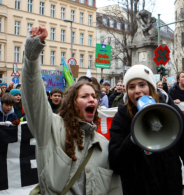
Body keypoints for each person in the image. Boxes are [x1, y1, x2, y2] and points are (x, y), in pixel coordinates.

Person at [22, 26, 122, 195]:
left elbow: (114, 189)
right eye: (84, 96)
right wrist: (32, 58)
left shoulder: (104, 146)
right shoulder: (52, 128)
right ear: (71, 103)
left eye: (94, 96)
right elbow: (34, 98)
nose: (91, 99)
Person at [108, 64, 184, 194]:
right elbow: (116, 164)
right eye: (131, 87)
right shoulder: (121, 117)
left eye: (142, 85)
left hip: (170, 187)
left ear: (151, 87)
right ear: (127, 92)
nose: (137, 90)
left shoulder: (172, 111)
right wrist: (133, 137)